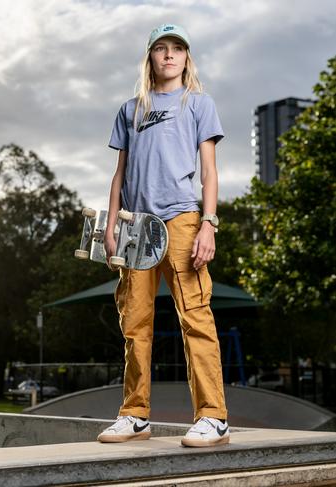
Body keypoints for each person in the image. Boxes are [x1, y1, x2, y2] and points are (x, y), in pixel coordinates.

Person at [96, 24, 229, 448]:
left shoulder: (198, 104)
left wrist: (209, 222)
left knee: (195, 316)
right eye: (160, 48)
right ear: (150, 57)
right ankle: (135, 415)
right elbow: (120, 174)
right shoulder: (130, 109)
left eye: (177, 49)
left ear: (186, 58)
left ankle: (213, 417)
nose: (169, 55)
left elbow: (209, 170)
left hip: (181, 220)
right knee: (135, 323)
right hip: (135, 227)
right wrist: (111, 223)